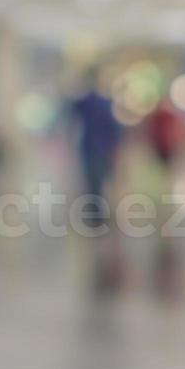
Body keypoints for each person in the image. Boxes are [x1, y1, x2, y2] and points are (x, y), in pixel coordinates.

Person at [66, 71, 125, 290]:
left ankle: (95, 218)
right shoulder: (104, 104)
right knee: (97, 186)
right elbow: (115, 131)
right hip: (101, 151)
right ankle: (96, 217)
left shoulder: (87, 102)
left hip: (91, 150)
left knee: (93, 186)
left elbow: (71, 111)